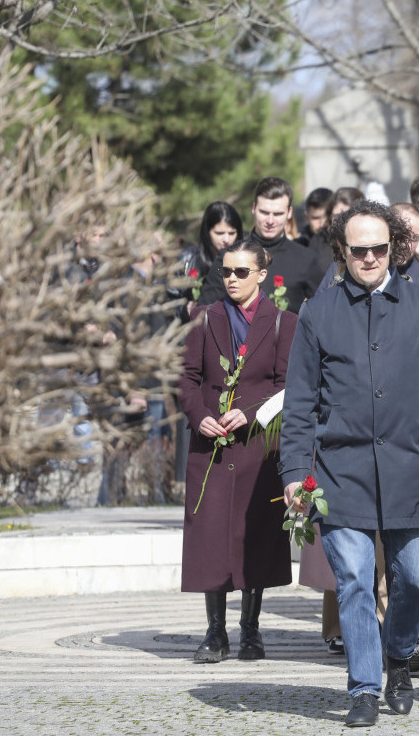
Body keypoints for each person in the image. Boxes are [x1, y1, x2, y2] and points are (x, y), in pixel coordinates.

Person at [279, 200, 419, 728]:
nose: (369, 258)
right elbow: (300, 401)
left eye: (379, 249)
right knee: (355, 580)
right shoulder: (318, 311)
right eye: (358, 250)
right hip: (341, 471)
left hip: (410, 467)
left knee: (417, 576)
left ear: (394, 248)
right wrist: (295, 473)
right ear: (342, 250)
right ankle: (363, 687)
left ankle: (398, 655)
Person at [178, 240, 297, 664]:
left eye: (241, 272)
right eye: (226, 272)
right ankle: (215, 632)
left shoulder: (284, 322)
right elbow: (186, 378)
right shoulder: (203, 318)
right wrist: (198, 416)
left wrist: (250, 414)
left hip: (257, 448)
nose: (231, 279)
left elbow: (287, 385)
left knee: (256, 536)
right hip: (209, 446)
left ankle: (250, 629)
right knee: (209, 536)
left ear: (261, 274)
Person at [248, 177, 325, 312]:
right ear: (254, 208)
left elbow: (324, 310)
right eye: (264, 212)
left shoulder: (306, 259)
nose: (270, 220)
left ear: (289, 213)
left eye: (278, 214)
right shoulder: (230, 256)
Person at [181, 201, 243, 312]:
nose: (226, 239)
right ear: (207, 232)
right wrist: (185, 310)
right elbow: (168, 300)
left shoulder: (247, 259)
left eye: (231, 233)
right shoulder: (188, 260)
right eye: (219, 233)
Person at [297, 187, 335, 264]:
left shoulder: (344, 246)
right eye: (316, 218)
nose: (322, 223)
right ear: (307, 218)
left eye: (328, 217)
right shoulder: (298, 247)